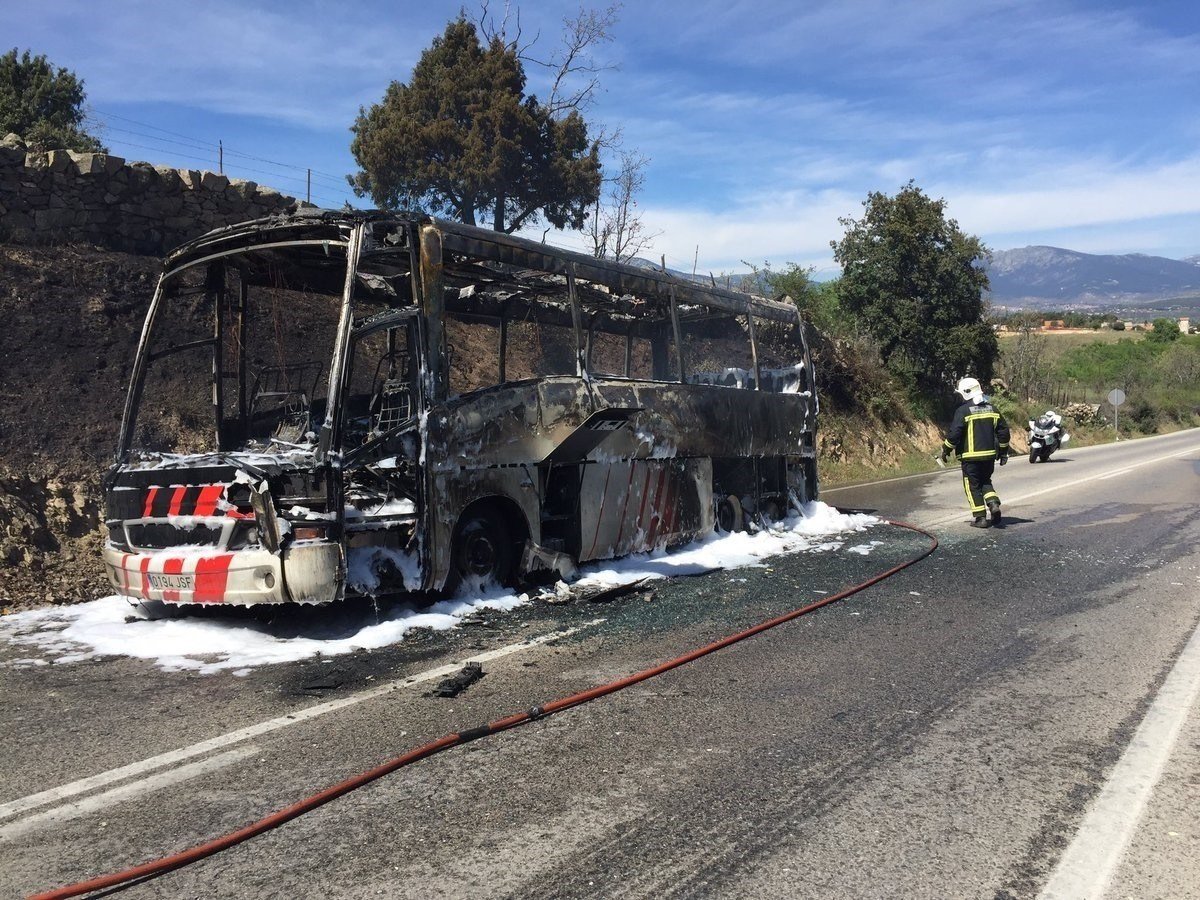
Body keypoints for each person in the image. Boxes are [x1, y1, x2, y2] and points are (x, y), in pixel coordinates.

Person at [938, 377, 1010, 528]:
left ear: (966, 393)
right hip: (989, 457)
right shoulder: (993, 409)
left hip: (970, 458)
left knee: (973, 486)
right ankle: (993, 503)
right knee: (985, 481)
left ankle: (980, 518)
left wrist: (946, 449)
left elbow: (954, 434)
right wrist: (1003, 453)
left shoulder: (963, 411)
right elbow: (1003, 431)